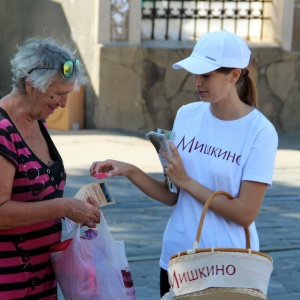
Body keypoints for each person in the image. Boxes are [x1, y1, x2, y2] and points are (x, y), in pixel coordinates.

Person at [89, 30, 278, 297]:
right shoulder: (187, 115)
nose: (197, 82)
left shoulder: (260, 131)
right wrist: (129, 170)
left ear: (234, 75)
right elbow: (172, 195)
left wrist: (186, 180)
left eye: (206, 75)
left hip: (228, 265)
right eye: (195, 74)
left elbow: (245, 213)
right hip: (177, 260)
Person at [0, 37, 101, 299]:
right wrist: (64, 207)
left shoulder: (37, 122)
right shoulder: (2, 132)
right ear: (31, 85)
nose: (63, 104)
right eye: (57, 94)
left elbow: (39, 192)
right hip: (9, 282)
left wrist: (79, 207)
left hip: (42, 277)